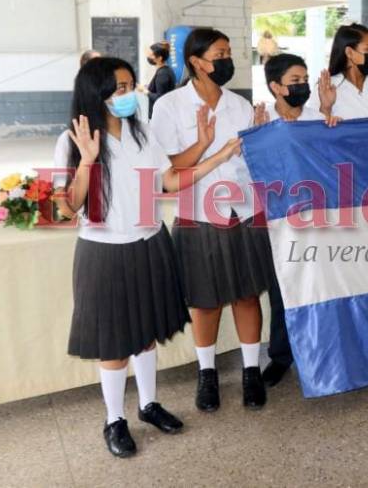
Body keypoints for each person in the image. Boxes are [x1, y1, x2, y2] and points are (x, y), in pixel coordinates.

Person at [52, 56, 241, 458]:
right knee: (116, 342)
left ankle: (149, 405)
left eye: (131, 86)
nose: (129, 95)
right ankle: (114, 419)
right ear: (97, 92)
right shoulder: (70, 140)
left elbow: (169, 180)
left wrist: (216, 154)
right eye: (120, 88)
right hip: (104, 251)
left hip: (151, 242)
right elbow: (64, 209)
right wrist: (87, 161)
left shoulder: (142, 134)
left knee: (147, 334)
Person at [151, 28, 273, 411]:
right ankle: (207, 375)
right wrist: (206, 147)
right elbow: (169, 169)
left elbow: (252, 161)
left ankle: (251, 370)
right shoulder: (169, 106)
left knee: (247, 295)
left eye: (229, 52)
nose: (227, 60)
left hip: (244, 209)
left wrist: (261, 136)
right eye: (219, 54)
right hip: (199, 213)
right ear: (196, 62)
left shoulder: (239, 104)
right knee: (205, 302)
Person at [258, 52, 340, 386]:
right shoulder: (261, 124)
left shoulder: (319, 121)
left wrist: (328, 114)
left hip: (319, 221)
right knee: (284, 290)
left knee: (323, 284)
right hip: (280, 221)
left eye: (305, 80)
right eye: (296, 82)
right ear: (275, 87)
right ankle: (281, 356)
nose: (303, 86)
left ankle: (325, 348)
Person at [140, 42, 177, 118]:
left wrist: (144, 91)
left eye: (152, 55)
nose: (149, 57)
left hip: (160, 116)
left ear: (159, 58)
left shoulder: (163, 74)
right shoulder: (166, 70)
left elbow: (160, 98)